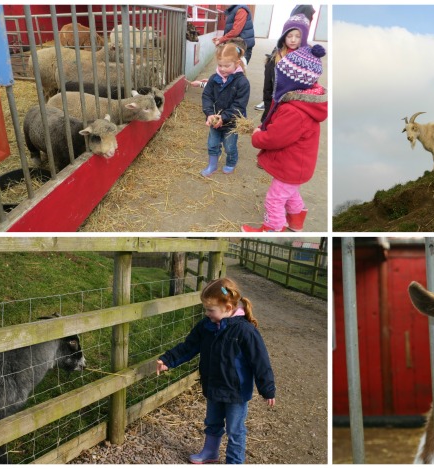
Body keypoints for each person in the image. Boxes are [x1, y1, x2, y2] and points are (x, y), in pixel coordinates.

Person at [156, 278, 276, 464]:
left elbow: (260, 361)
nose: (207, 313)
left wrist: (267, 389)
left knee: (235, 430)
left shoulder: (245, 331)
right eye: (206, 309)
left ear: (228, 307)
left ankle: (234, 462)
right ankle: (210, 452)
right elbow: (189, 346)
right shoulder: (206, 326)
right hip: (213, 386)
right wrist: (168, 360)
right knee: (212, 423)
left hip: (235, 392)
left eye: (210, 310)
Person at [241, 44, 327, 232]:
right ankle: (296, 220)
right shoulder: (304, 102)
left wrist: (257, 136)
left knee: (275, 198)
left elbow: (275, 138)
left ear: (291, 80)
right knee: (290, 191)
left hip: (292, 165)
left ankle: (273, 228)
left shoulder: (294, 110)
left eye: (281, 76)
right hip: (297, 165)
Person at [200, 42, 250, 176]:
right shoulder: (214, 78)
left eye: (227, 66)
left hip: (232, 122)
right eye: (220, 65)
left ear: (237, 63)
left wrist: (224, 117)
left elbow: (239, 105)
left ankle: (231, 162)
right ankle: (212, 165)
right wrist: (209, 113)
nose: (222, 69)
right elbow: (207, 95)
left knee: (229, 146)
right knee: (212, 143)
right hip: (214, 120)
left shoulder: (242, 82)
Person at [255, 6, 315, 114]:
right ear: (283, 36)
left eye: (298, 36)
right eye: (289, 35)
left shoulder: (309, 59)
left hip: (295, 108)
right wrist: (267, 113)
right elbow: (268, 88)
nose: (293, 40)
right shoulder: (275, 57)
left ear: (304, 37)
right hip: (275, 104)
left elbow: (312, 86)